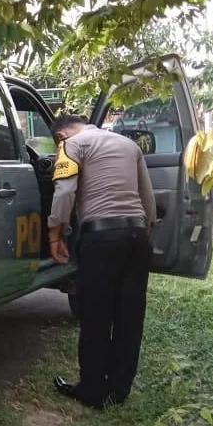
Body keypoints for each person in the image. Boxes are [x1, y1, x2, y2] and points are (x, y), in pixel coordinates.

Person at [47, 114, 157, 409]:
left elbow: (65, 193)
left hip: (101, 238)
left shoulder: (71, 145)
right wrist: (141, 236)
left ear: (60, 135)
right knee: (129, 317)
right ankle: (118, 391)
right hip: (136, 237)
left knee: (96, 315)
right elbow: (148, 200)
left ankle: (92, 391)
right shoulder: (128, 144)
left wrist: (56, 233)